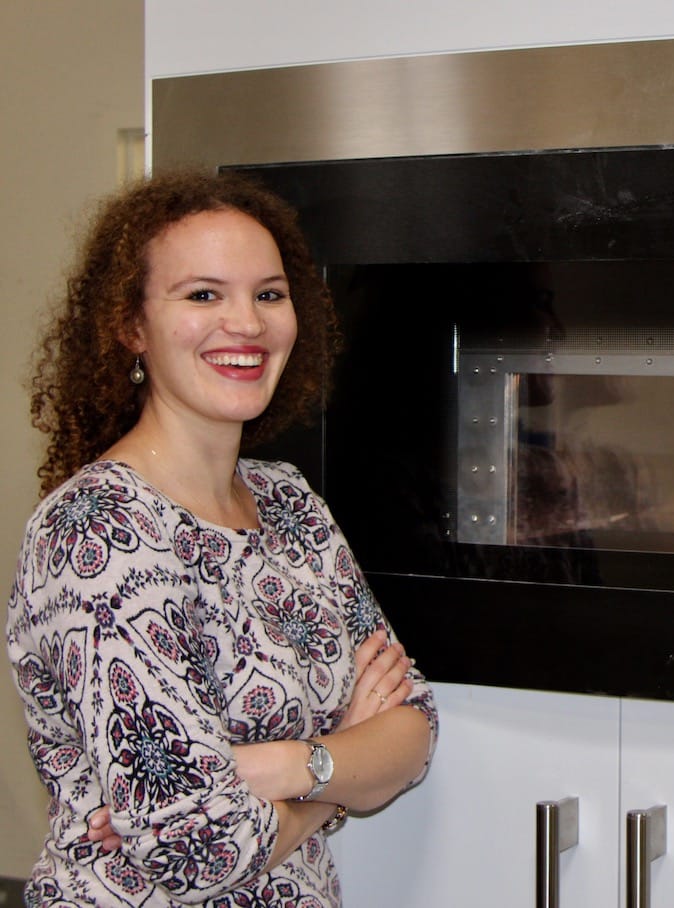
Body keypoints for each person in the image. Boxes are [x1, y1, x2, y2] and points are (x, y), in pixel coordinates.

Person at [6, 170, 438, 906]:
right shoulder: (99, 530)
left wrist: (281, 767)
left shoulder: (289, 502)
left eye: (269, 294)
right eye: (203, 295)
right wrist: (336, 775)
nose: (247, 323)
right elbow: (196, 846)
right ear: (131, 325)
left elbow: (413, 726)